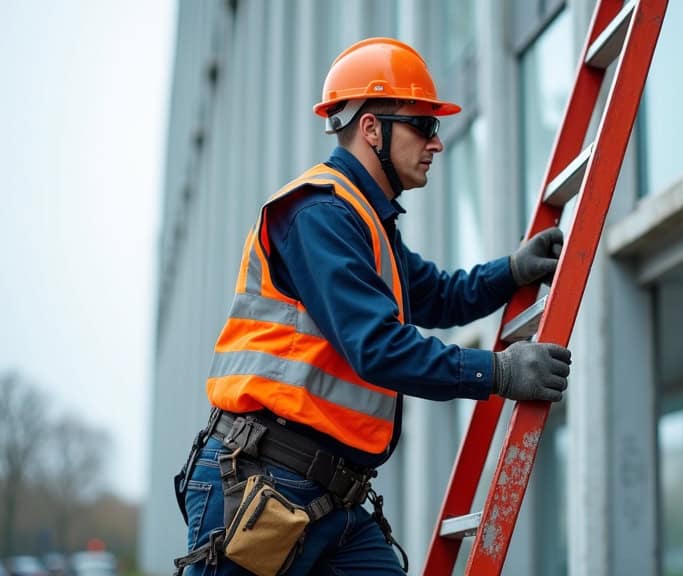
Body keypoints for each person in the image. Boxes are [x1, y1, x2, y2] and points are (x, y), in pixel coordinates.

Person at [172, 37, 571, 575]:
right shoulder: (319, 214)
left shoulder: (366, 221)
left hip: (329, 496)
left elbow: (440, 295)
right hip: (264, 481)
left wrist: (512, 271)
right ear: (371, 129)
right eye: (423, 125)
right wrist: (497, 372)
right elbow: (377, 346)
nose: (437, 142)